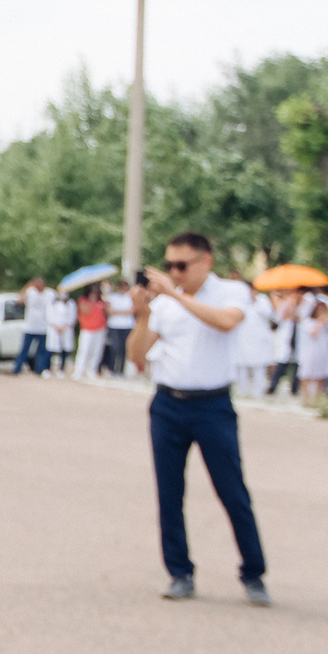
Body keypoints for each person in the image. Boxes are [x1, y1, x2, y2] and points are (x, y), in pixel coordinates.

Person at [127, 232, 266, 604]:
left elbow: (225, 323)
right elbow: (137, 355)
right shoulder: (166, 304)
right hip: (168, 404)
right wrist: (142, 316)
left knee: (232, 491)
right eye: (170, 265)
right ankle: (180, 572)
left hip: (212, 406)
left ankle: (253, 572)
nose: (174, 272)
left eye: (181, 265)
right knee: (169, 493)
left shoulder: (229, 293)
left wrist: (173, 293)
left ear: (206, 261)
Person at [297, 290, 328, 399]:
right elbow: (313, 334)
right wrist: (320, 322)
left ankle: (318, 398)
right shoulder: (308, 322)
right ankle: (307, 398)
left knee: (321, 375)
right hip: (311, 349)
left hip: (323, 349)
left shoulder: (327, 321)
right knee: (307, 374)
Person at [11, 278, 53, 375]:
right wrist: (27, 286)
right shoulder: (30, 292)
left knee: (42, 351)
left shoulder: (49, 293)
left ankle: (39, 370)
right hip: (30, 326)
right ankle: (17, 369)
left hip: (43, 327)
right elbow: (20, 300)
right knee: (24, 349)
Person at [74, 286, 109, 380]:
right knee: (84, 350)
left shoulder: (101, 302)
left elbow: (107, 312)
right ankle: (79, 370)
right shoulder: (83, 300)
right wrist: (91, 302)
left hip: (100, 329)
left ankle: (91, 370)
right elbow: (85, 311)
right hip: (87, 329)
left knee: (97, 351)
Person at [103, 282, 135, 375]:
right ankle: (111, 368)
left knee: (124, 348)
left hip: (127, 326)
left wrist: (117, 311)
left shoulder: (130, 297)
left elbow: (132, 311)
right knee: (115, 347)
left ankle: (120, 370)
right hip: (115, 325)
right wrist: (123, 312)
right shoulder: (113, 297)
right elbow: (110, 311)